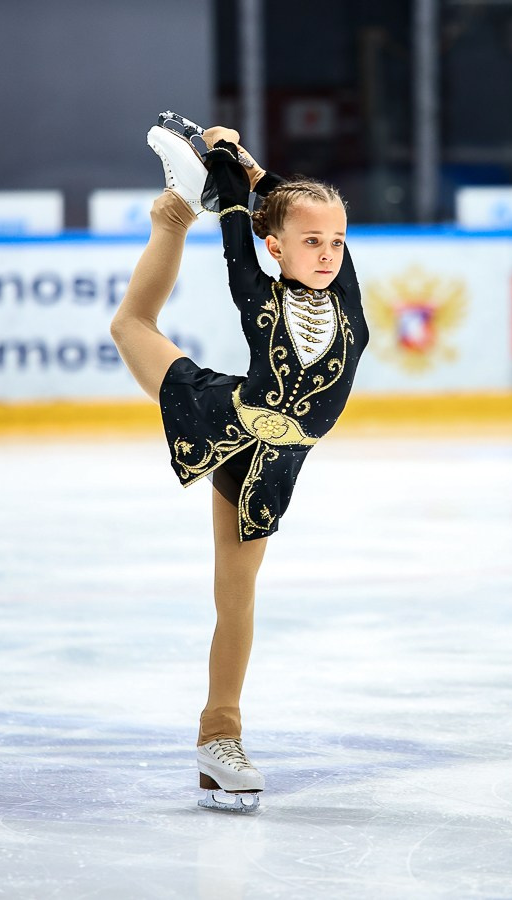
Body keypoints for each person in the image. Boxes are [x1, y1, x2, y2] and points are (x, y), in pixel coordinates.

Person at [109, 114, 369, 812]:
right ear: (274, 246)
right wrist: (227, 178)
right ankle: (174, 214)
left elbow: (288, 210)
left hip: (274, 465)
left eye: (337, 241)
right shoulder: (259, 294)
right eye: (311, 242)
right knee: (130, 326)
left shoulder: (348, 301)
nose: (328, 253)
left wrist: (253, 169)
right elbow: (240, 229)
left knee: (237, 595)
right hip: (224, 421)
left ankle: (215, 742)